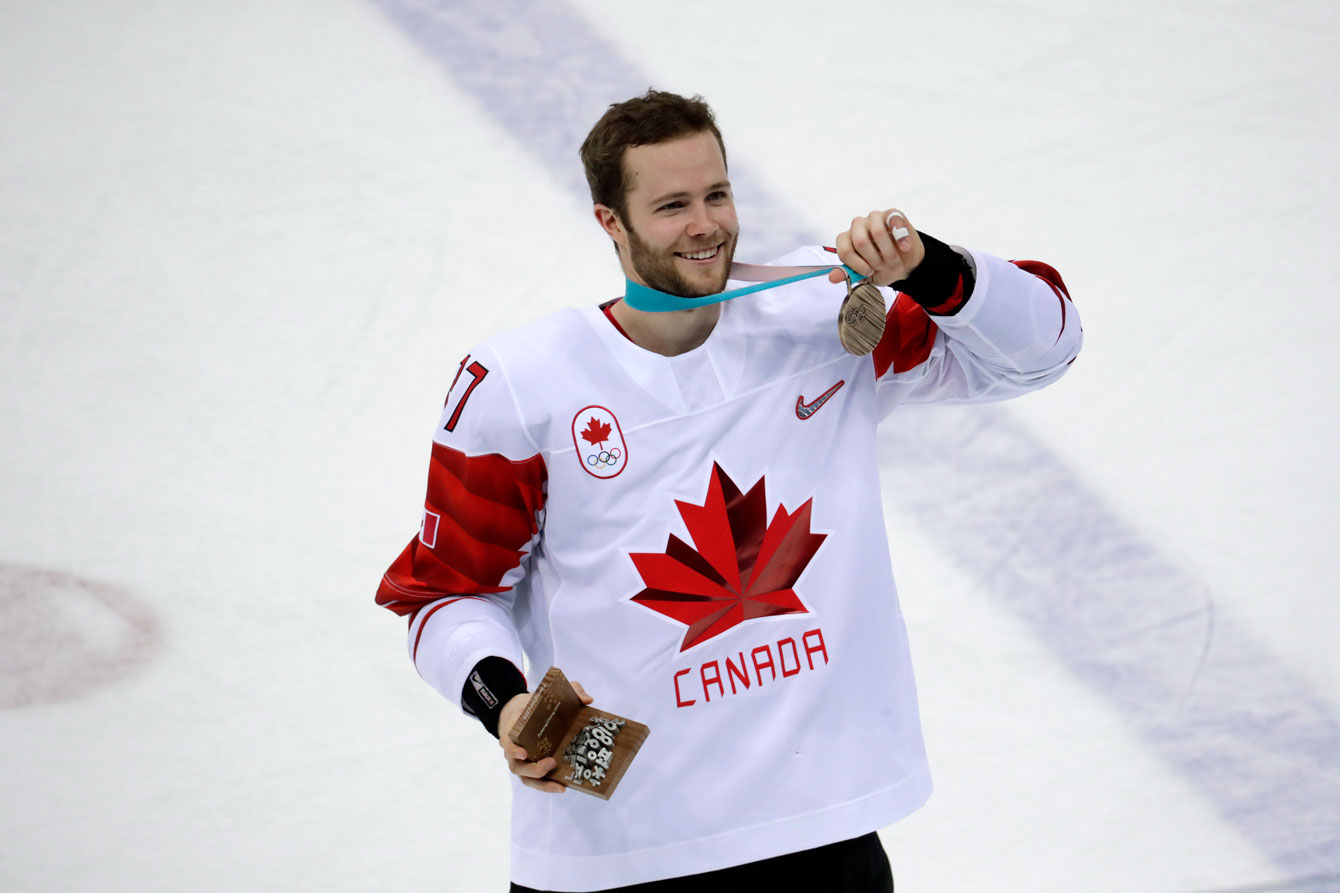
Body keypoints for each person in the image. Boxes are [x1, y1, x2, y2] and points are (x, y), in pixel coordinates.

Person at [376, 90, 1081, 893]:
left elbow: (1044, 349)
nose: (705, 224)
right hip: (615, 856)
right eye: (672, 205)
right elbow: (444, 594)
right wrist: (503, 704)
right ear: (612, 222)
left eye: (716, 194)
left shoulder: (817, 317)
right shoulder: (523, 385)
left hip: (821, 831)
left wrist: (930, 266)